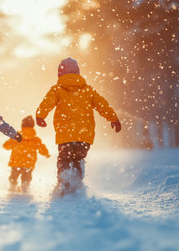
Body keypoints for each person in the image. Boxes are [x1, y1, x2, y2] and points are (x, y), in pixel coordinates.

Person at [35, 57, 121, 195]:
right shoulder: (88, 90)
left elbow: (47, 102)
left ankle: (63, 179)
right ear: (78, 73)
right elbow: (102, 104)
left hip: (65, 135)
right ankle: (77, 181)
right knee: (78, 158)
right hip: (84, 135)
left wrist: (40, 116)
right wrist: (113, 118)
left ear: (60, 74)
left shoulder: (57, 89)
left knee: (64, 158)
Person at [3, 115, 50, 193]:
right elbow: (42, 149)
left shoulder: (16, 136)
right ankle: (25, 189)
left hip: (16, 163)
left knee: (13, 177)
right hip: (28, 163)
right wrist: (46, 154)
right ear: (33, 126)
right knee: (26, 178)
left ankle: (12, 188)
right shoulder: (35, 139)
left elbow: (6, 146)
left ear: (22, 126)